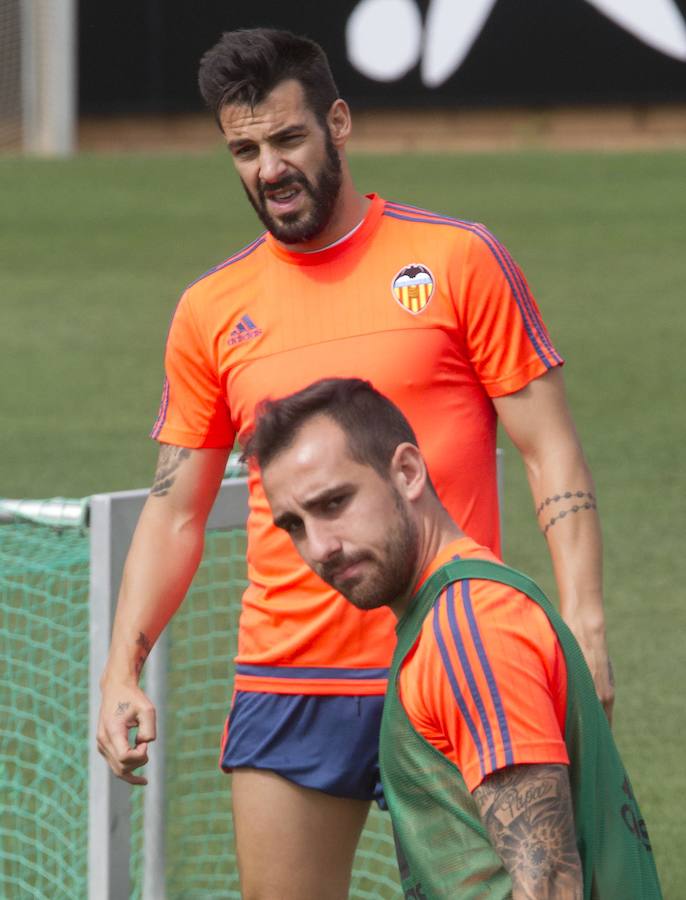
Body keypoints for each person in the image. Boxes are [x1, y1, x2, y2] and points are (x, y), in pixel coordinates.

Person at [96, 27, 612, 899]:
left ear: (338, 123)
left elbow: (548, 447)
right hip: (290, 670)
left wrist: (584, 628)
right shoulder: (211, 310)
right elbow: (176, 508)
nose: (269, 169)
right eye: (245, 149)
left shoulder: (457, 260)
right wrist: (121, 668)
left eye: (288, 138)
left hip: (456, 656)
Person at [247, 376, 662, 899]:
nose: (320, 546)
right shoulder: (454, 611)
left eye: (334, 504)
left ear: (407, 472)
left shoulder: (469, 631)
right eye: (294, 526)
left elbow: (551, 886)